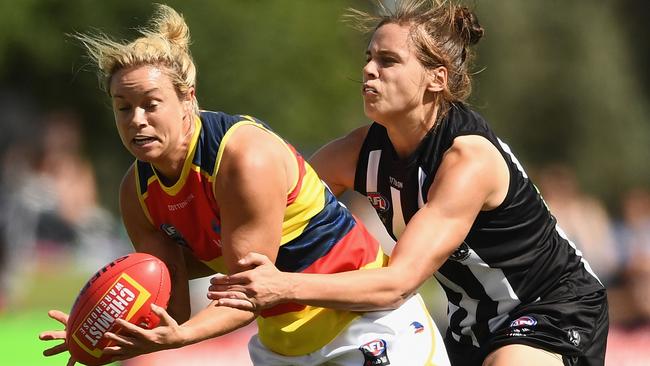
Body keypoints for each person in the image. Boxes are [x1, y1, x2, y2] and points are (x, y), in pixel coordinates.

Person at [37, 4, 451, 366]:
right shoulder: (137, 193)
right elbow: (171, 301)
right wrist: (108, 333)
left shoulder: (242, 157)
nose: (137, 120)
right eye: (123, 108)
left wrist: (179, 339)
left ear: (188, 99)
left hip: (366, 328)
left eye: (150, 103)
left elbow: (247, 295)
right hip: (284, 349)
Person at [207, 1, 609, 365]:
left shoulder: (468, 160)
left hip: (555, 308)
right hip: (468, 322)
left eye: (388, 61)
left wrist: (283, 286)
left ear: (437, 78)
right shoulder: (359, 152)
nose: (368, 69)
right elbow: (281, 208)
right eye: (368, 58)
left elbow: (397, 284)